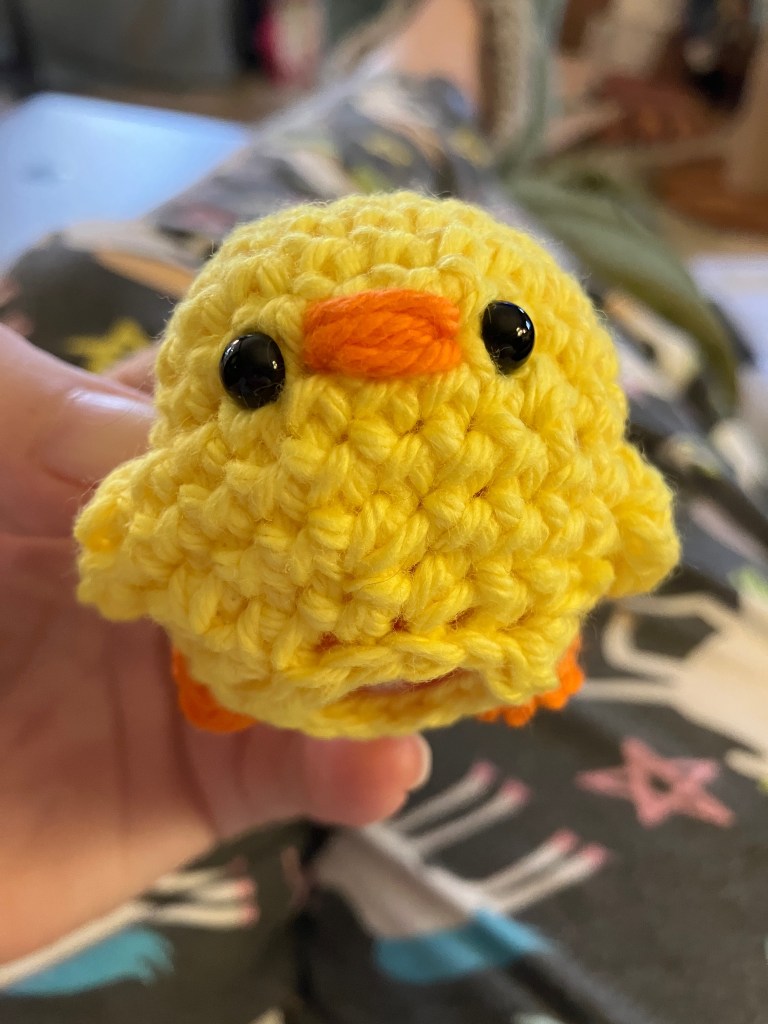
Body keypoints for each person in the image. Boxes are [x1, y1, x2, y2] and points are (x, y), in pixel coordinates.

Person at [2, 2, 767, 1023]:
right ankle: (430, 99)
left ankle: (419, 93)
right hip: (232, 749)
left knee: (85, 276)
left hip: (147, 784)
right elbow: (640, 518)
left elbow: (118, 547)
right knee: (650, 369)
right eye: (257, 368)